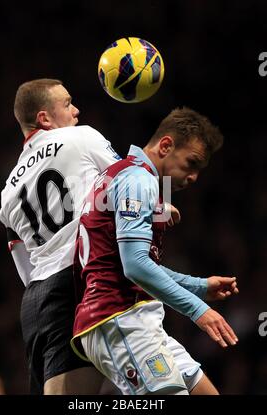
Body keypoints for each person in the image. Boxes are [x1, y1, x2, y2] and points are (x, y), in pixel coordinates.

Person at [71, 107, 239, 395]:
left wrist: (199, 287)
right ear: (166, 146)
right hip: (118, 316)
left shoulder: (126, 175)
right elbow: (135, 266)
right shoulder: (137, 179)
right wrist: (198, 310)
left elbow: (138, 264)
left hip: (139, 316)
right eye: (191, 163)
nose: (194, 177)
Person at [0, 78, 125, 395]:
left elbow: (25, 270)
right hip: (81, 281)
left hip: (36, 303)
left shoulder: (7, 190)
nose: (76, 110)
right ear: (44, 117)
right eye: (68, 103)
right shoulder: (80, 138)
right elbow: (128, 182)